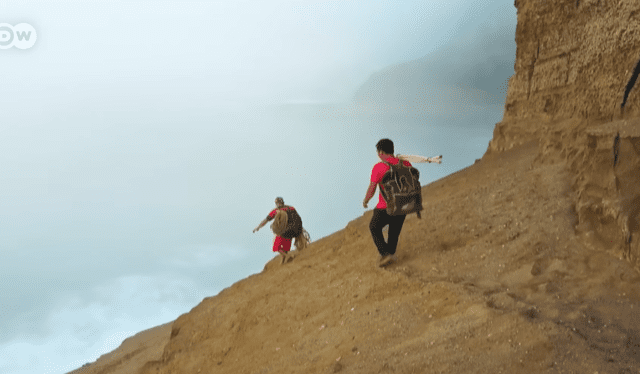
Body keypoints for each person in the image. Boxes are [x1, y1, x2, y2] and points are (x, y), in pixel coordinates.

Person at [363, 139, 436, 267]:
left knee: (374, 227)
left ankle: (385, 255)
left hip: (385, 207)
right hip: (404, 204)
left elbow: (372, 188)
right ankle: (390, 254)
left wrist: (366, 200)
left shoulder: (379, 167)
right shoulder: (405, 163)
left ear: (381, 152)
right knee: (394, 232)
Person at [253, 197, 303, 264]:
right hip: (294, 230)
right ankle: (282, 263)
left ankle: (290, 256)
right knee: (285, 249)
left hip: (284, 231)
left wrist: (258, 227)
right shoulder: (291, 208)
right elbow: (298, 218)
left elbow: (266, 220)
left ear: (277, 203)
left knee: (277, 247)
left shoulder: (276, 211)